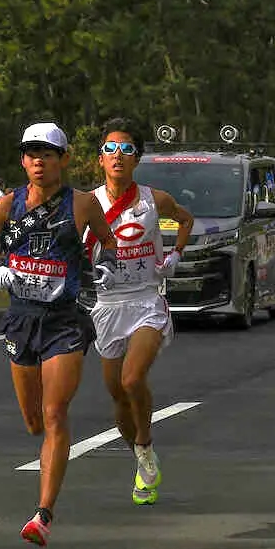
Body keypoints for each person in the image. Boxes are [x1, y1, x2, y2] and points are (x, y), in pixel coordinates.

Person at [0, 122, 119, 547]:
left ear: (63, 160)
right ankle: (45, 492)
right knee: (34, 421)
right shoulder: (7, 206)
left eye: (47, 154)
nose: (38, 161)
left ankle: (43, 514)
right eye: (31, 154)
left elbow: (108, 243)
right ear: (22, 161)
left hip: (64, 320)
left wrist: (106, 266)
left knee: (55, 414)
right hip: (21, 320)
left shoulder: (83, 203)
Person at [81, 117, 195, 506]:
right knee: (117, 395)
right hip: (107, 306)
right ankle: (142, 459)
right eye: (110, 149)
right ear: (100, 159)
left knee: (132, 379)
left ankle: (145, 443)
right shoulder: (86, 204)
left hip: (146, 300)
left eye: (126, 149)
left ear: (137, 158)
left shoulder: (153, 199)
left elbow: (185, 219)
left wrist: (175, 255)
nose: (118, 155)